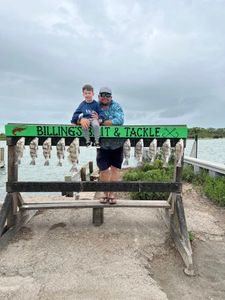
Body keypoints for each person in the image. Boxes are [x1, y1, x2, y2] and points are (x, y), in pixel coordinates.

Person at [95, 87, 124, 204]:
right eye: (102, 95)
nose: (105, 97)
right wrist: (82, 120)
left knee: (115, 169)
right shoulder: (94, 106)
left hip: (118, 144)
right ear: (99, 96)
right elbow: (83, 116)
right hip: (102, 144)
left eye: (107, 95)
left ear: (111, 97)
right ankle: (104, 193)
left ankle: (112, 193)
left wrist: (103, 122)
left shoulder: (116, 106)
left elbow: (120, 120)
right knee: (103, 170)